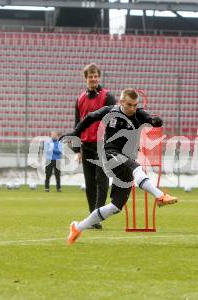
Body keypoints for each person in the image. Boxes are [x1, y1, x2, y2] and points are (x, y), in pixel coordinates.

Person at [61, 88, 178, 244]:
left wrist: (156, 121)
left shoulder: (139, 113)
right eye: (129, 104)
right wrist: (75, 133)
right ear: (121, 102)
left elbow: (153, 120)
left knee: (115, 207)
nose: (132, 108)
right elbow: (90, 117)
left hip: (126, 160)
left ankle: (78, 227)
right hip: (110, 154)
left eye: (135, 105)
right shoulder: (110, 111)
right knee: (136, 168)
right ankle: (160, 196)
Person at [75, 63, 116, 229]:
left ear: (99, 77)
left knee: (101, 179)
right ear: (86, 79)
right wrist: (77, 149)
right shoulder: (80, 99)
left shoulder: (108, 96)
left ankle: (97, 216)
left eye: (95, 76)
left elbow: (115, 121)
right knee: (89, 182)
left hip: (102, 145)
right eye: (90, 77)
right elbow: (77, 124)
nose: (93, 79)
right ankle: (93, 217)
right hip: (86, 145)